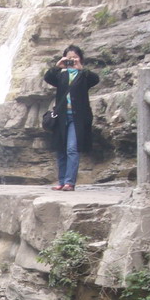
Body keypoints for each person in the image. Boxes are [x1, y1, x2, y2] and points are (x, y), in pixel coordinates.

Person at [44, 44, 99, 191]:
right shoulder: (60, 75)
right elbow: (48, 77)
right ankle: (61, 181)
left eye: (74, 57)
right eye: (69, 58)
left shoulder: (84, 75)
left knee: (72, 149)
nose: (72, 60)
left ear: (80, 58)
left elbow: (96, 79)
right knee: (61, 149)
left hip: (77, 118)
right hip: (61, 118)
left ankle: (70, 182)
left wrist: (81, 68)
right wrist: (57, 66)